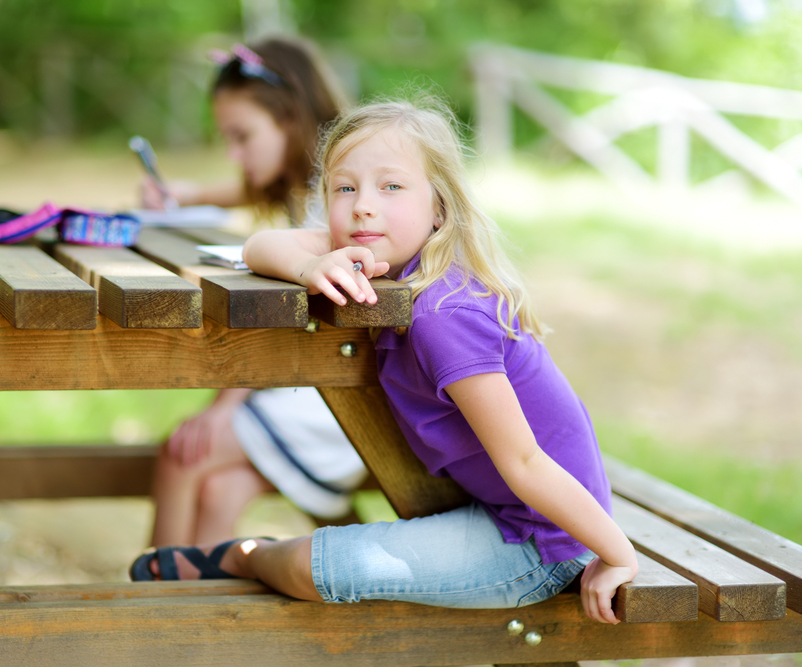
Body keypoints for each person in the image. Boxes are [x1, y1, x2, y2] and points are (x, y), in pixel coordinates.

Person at [131, 97, 639, 625]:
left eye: (391, 186)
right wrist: (309, 264)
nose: (362, 206)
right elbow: (259, 245)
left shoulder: (445, 314)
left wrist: (617, 554)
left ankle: (242, 554)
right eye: (344, 187)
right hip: (503, 511)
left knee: (311, 568)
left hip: (546, 544)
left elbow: (526, 462)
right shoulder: (383, 259)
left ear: (438, 206)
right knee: (312, 557)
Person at [142, 37, 367, 548]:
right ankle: (195, 620)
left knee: (182, 454)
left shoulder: (339, 195)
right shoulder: (320, 180)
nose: (234, 154)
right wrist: (188, 195)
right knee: (219, 490)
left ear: (289, 117)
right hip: (321, 381)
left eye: (242, 136)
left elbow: (283, 311)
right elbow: (248, 187)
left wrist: (225, 406)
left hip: (343, 403)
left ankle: (149, 607)